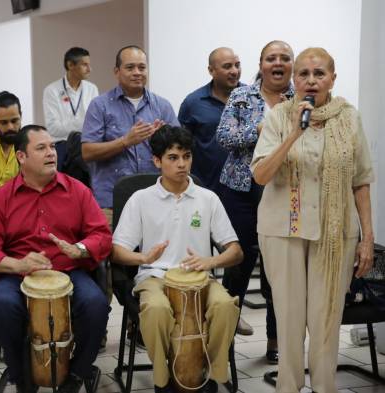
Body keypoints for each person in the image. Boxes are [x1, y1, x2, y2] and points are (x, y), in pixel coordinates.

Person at [251, 47, 374, 393]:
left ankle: (324, 387)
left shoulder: (349, 117)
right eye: (303, 74)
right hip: (282, 231)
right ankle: (288, 388)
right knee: (289, 320)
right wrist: (294, 132)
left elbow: (361, 179)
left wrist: (367, 237)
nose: (310, 80)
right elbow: (260, 175)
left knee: (326, 320)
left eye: (319, 73)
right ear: (294, 79)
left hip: (335, 237)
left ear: (332, 78)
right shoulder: (279, 117)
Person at [0, 125, 111, 393]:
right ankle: (23, 377)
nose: (51, 153)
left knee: (96, 305)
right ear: (21, 157)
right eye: (41, 148)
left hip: (68, 271)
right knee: (2, 307)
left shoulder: (78, 191)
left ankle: (76, 375)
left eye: (52, 147)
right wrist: (17, 265)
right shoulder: (1, 199)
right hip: (18, 274)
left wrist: (78, 248)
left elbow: (102, 236)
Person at [112, 125, 242, 393]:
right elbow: (116, 250)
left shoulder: (208, 198)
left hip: (199, 278)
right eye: (173, 157)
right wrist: (143, 256)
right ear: (157, 161)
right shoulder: (140, 199)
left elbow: (235, 251)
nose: (182, 164)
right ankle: (163, 380)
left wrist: (210, 262)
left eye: (187, 156)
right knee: (157, 310)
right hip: (154, 277)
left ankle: (211, 374)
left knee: (226, 306)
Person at [216, 40, 295, 362]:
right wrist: (258, 128)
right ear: (260, 64)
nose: (278, 63)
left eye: (284, 58)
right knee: (239, 264)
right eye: (271, 58)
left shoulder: (300, 98)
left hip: (283, 193)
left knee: (278, 271)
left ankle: (275, 343)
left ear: (291, 64)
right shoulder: (242, 95)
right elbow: (223, 137)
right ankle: (225, 340)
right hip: (241, 192)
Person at [81, 45, 178, 221]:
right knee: (110, 248)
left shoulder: (162, 106)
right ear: (117, 71)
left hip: (157, 200)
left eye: (142, 67)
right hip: (111, 202)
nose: (137, 72)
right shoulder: (100, 105)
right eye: (130, 67)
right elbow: (87, 152)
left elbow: (179, 153)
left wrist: (161, 139)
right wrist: (125, 141)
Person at [178, 47, 242, 194]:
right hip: (206, 190)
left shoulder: (252, 98)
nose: (234, 71)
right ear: (211, 70)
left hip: (246, 191)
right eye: (227, 66)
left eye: (237, 65)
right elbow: (181, 146)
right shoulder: (192, 103)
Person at [43, 47, 99, 169]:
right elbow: (53, 128)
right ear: (70, 65)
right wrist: (84, 124)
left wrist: (80, 126)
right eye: (85, 65)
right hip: (62, 147)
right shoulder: (52, 90)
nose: (90, 69)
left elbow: (96, 123)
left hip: (86, 145)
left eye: (89, 64)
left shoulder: (92, 89)